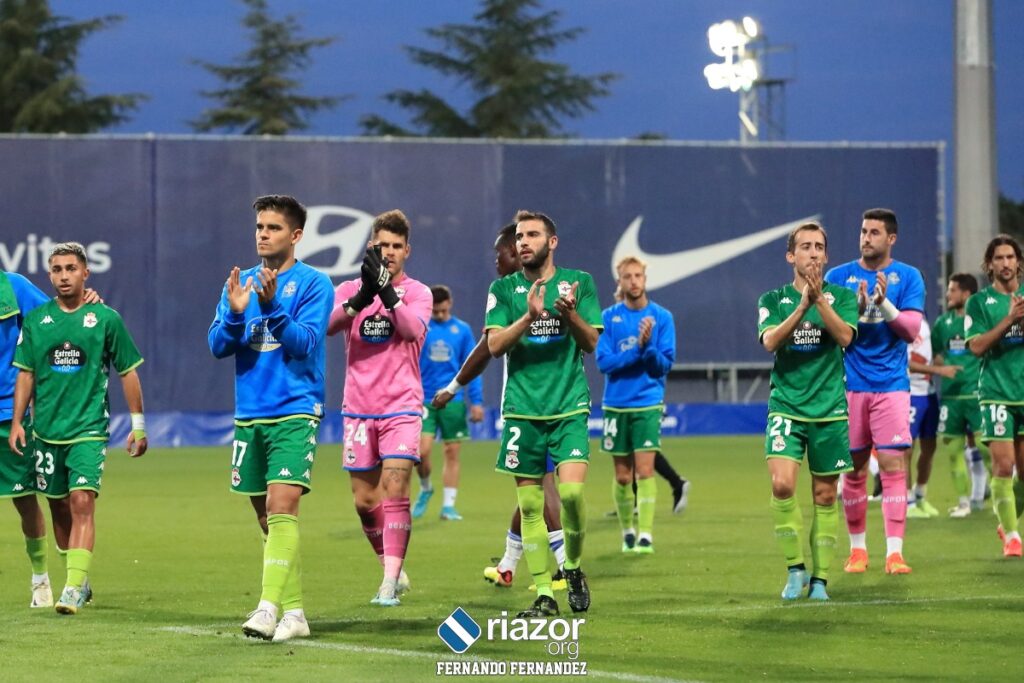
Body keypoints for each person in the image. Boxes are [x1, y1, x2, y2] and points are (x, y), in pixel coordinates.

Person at [208, 195, 333, 641]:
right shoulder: (239, 283)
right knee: (268, 519)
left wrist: (273, 306)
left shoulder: (315, 284)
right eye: (260, 226)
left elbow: (305, 343)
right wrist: (235, 313)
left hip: (295, 411)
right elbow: (217, 345)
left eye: (273, 227)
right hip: (250, 415)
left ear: (296, 235)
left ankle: (267, 609)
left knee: (282, 508)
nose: (263, 234)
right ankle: (295, 614)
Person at [10, 242, 148, 615]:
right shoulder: (37, 321)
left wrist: (137, 425)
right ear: (49, 275)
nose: (64, 276)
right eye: (57, 269)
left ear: (85, 272)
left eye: (71, 268)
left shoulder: (105, 319)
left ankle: (71, 588)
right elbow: (26, 374)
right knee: (59, 508)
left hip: (89, 429)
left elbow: (128, 371)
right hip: (46, 431)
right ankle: (81, 581)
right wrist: (18, 422)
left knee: (82, 501)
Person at [431, 224, 567, 589]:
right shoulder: (515, 294)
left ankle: (565, 569)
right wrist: (454, 387)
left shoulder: (537, 293)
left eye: (500, 253)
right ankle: (508, 565)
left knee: (543, 489)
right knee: (530, 490)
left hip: (538, 408)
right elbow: (486, 347)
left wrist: (452, 388)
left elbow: (485, 350)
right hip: (534, 407)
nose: (496, 260)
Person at [485, 210, 602, 617]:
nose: (523, 242)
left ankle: (573, 566)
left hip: (569, 406)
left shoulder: (579, 282)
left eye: (533, 235)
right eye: (519, 236)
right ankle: (543, 595)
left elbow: (591, 343)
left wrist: (569, 315)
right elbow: (495, 346)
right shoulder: (503, 289)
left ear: (552, 242)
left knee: (570, 494)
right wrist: (529, 316)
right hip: (523, 410)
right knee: (531, 506)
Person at [328, 209, 432, 605]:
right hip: (358, 408)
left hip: (401, 407)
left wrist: (387, 294)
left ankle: (388, 583)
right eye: (382, 245)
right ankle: (392, 566)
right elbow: (328, 326)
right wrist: (362, 298)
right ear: (371, 246)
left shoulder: (419, 293)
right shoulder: (348, 289)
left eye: (395, 246)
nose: (388, 252)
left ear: (407, 250)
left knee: (395, 486)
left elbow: (410, 330)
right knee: (364, 502)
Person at [758, 222, 857, 601]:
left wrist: (819, 302)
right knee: (782, 485)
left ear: (826, 255)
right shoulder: (772, 299)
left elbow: (845, 337)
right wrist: (802, 306)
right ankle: (795, 568)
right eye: (805, 246)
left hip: (829, 410)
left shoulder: (842, 297)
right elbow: (770, 342)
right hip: (786, 406)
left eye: (819, 247)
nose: (813, 253)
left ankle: (820, 580)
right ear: (791, 256)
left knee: (825, 496)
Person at [824, 208, 924, 575]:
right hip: (849, 386)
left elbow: (910, 330)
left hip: (891, 386)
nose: (866, 238)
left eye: (874, 232)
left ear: (891, 238)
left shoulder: (909, 277)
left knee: (894, 465)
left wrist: (882, 302)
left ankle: (894, 554)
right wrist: (855, 308)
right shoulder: (838, 277)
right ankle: (858, 551)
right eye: (863, 231)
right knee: (853, 471)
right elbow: (831, 330)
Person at [596, 256, 675, 554]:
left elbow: (662, 366)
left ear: (645, 279)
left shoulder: (662, 317)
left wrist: (649, 347)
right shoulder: (608, 318)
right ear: (619, 281)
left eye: (638, 275)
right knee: (622, 476)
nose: (633, 281)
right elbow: (605, 363)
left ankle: (645, 536)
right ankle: (627, 531)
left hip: (647, 403)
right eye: (627, 276)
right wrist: (639, 350)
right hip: (616, 405)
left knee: (644, 472)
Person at [965, 235, 1024, 557]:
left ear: (1019, 262)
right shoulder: (978, 303)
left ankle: (1007, 520)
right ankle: (1013, 537)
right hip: (996, 393)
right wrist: (1010, 319)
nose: (1005, 263)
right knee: (1004, 466)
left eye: (1010, 257)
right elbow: (976, 347)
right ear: (989, 265)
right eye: (999, 258)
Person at [413, 285, 484, 521]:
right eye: (436, 311)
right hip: (424, 398)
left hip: (453, 400)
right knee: (421, 452)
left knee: (452, 452)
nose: (440, 315)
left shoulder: (462, 330)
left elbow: (473, 366)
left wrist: (476, 401)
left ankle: (448, 506)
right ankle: (426, 487)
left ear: (450, 304)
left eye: (443, 310)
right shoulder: (420, 328)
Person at [929, 273, 986, 518]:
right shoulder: (943, 323)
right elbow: (934, 352)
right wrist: (943, 365)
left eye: (952, 290)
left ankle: (994, 496)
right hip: (951, 398)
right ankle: (964, 503)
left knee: (987, 449)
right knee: (953, 452)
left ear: (966, 294)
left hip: (977, 393)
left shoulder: (981, 319)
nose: (947, 294)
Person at [905, 320, 941, 518]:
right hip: (911, 392)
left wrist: (937, 361)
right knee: (906, 450)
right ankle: (908, 502)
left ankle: (920, 494)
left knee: (930, 447)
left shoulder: (925, 324)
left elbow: (928, 354)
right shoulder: (901, 322)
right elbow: (907, 362)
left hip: (929, 392)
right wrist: (939, 371)